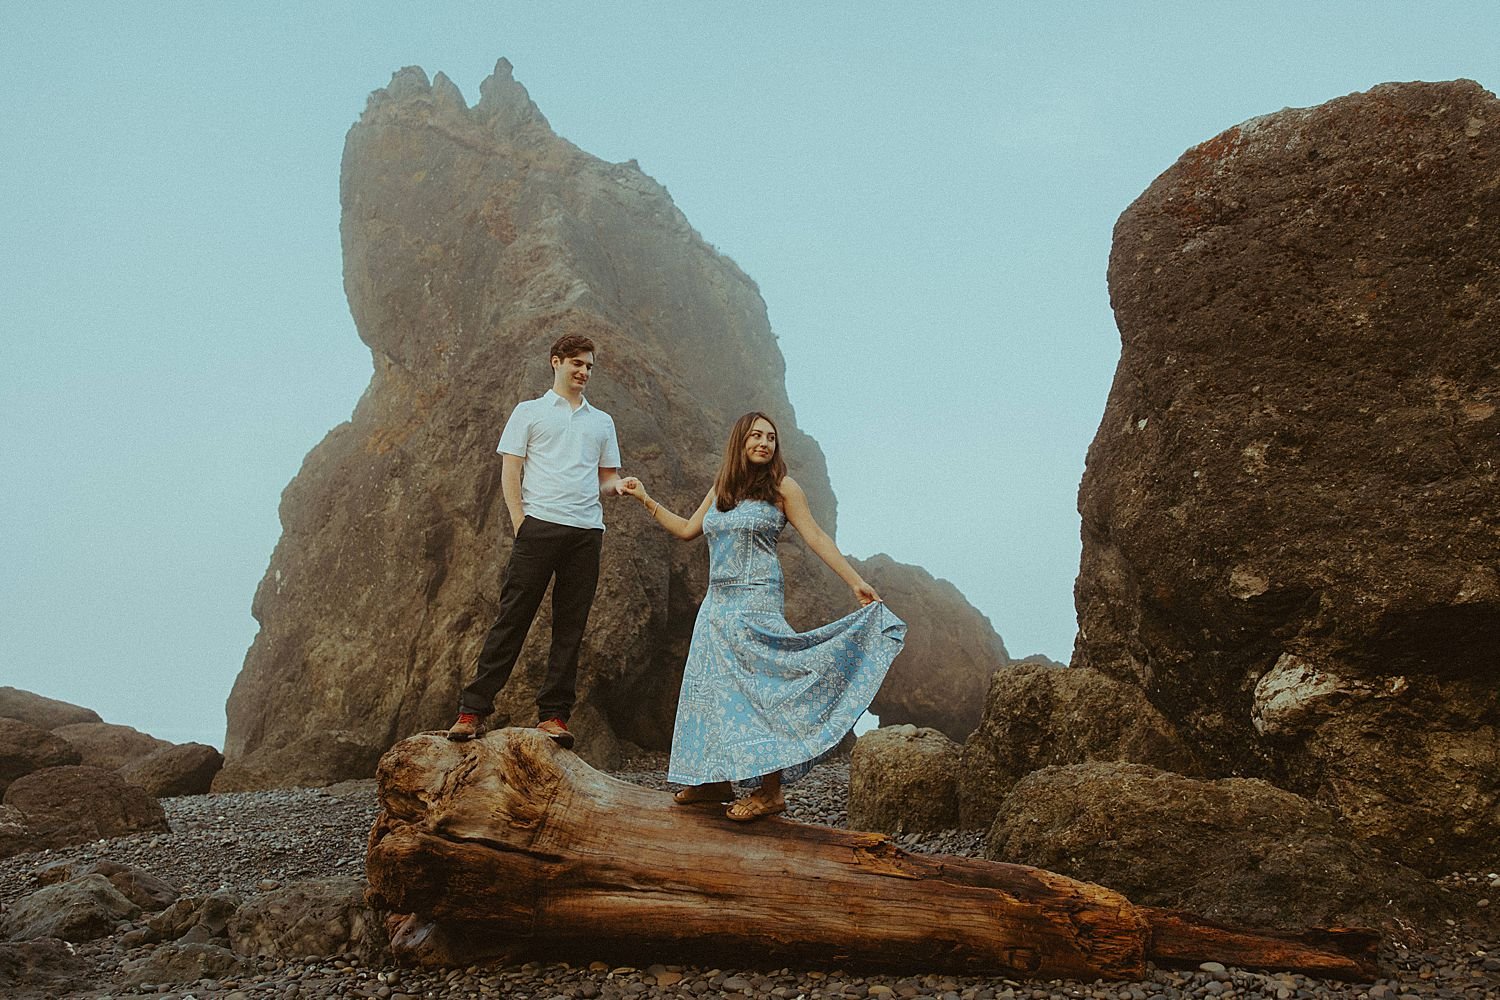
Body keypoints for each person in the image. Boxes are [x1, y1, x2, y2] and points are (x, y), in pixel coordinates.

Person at [620, 411, 906, 821]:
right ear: (740, 441)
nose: (764, 443)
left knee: (763, 691)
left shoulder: (783, 488)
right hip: (716, 605)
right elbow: (687, 529)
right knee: (712, 690)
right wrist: (645, 498)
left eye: (770, 437)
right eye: (755, 436)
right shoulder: (723, 488)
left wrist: (855, 581)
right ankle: (713, 781)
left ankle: (770, 792)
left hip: (757, 602)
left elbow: (815, 536)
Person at [448, 333, 626, 748]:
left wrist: (620, 486)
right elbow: (511, 471)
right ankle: (472, 710)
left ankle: (554, 717)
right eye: (577, 364)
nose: (583, 372)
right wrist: (520, 522)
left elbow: (606, 478)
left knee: (570, 628)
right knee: (512, 618)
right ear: (556, 362)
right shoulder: (528, 412)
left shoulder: (601, 421)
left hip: (586, 532)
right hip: (538, 527)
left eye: (588, 367)